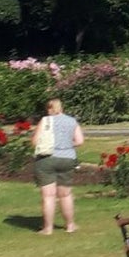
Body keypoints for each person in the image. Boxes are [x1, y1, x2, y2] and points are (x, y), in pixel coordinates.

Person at [32, 98, 85, 235]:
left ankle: (48, 228)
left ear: (50, 109)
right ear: (61, 108)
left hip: (47, 159)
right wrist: (67, 145)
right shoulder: (72, 121)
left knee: (48, 196)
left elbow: (35, 141)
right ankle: (70, 225)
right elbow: (80, 141)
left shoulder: (45, 121)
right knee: (65, 195)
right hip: (67, 158)